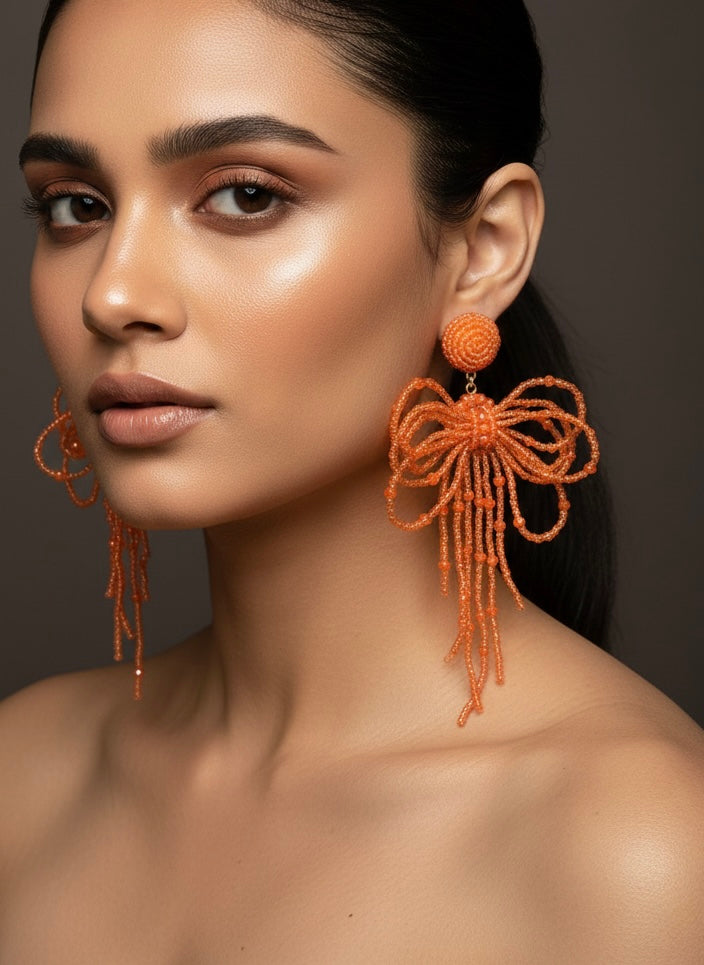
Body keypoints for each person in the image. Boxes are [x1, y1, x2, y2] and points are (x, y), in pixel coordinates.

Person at [1, 0, 702, 960]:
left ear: (484, 249)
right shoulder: (22, 776)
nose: (113, 292)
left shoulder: (638, 850)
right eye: (76, 204)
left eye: (246, 195)